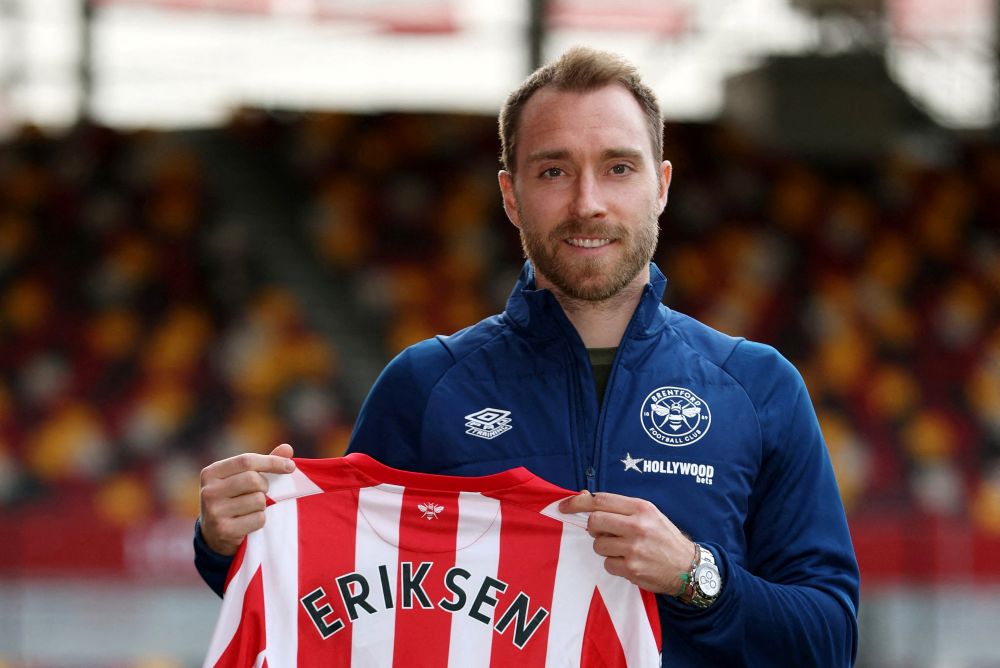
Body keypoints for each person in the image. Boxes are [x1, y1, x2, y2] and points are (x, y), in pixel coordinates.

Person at [196, 46, 860, 666]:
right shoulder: (426, 387)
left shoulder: (758, 385)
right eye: (554, 170)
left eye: (617, 167)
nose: (587, 202)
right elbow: (336, 599)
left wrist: (695, 574)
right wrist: (226, 543)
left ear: (660, 186)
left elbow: (830, 636)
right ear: (512, 195)